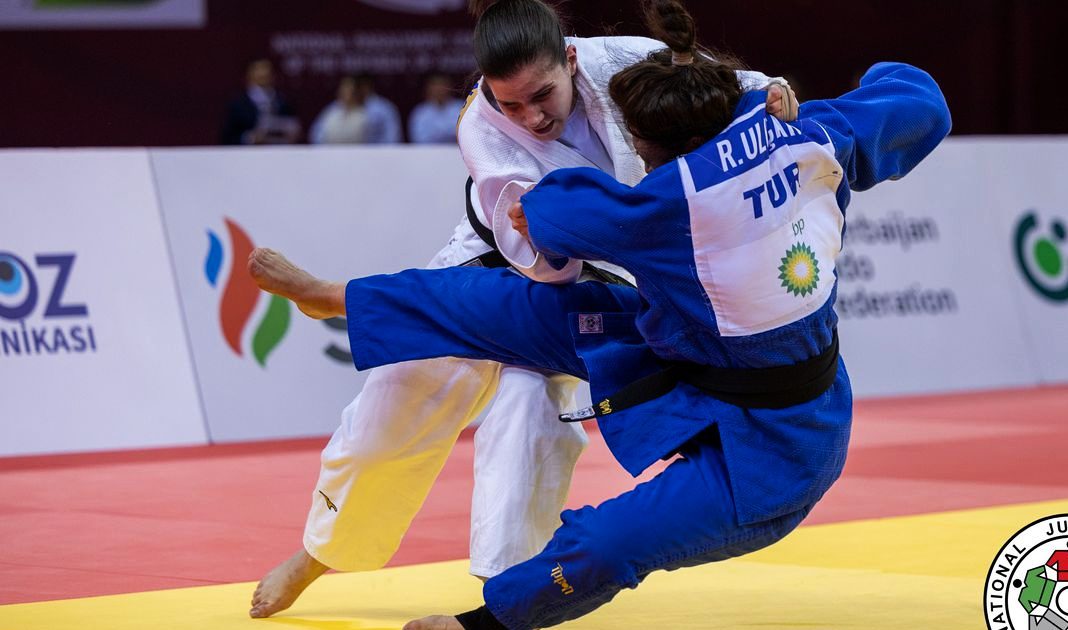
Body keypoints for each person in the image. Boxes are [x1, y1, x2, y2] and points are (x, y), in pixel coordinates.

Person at [246, 0, 950, 624]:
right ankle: (320, 546)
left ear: (572, 60)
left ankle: (498, 600)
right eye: (511, 104)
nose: (531, 117)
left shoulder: (634, 78)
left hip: (634, 269)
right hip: (531, 258)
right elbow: (541, 261)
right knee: (400, 397)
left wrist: (772, 93)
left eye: (542, 95)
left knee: (529, 417)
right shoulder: (483, 128)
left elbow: (717, 100)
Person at [219, 59, 301, 145]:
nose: (263, 74)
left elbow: (293, 126)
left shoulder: (283, 102)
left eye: (266, 73)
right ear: (249, 76)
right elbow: (226, 138)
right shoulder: (238, 105)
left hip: (279, 149)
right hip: (248, 151)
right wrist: (250, 138)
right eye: (258, 72)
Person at [309, 75, 369, 144]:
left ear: (356, 92)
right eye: (343, 89)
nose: (345, 93)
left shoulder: (366, 113)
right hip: (329, 149)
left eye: (349, 90)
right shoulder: (331, 110)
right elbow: (316, 134)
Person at [408, 74, 465, 143]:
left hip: (456, 149)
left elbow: (466, 133)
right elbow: (418, 139)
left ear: (449, 87)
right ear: (428, 89)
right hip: (429, 149)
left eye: (442, 85)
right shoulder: (420, 112)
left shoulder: (461, 107)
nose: (439, 89)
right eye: (435, 86)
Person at [354, 74, 404, 143]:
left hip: (380, 148)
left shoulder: (383, 108)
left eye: (359, 87)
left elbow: (393, 136)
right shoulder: (342, 107)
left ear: (366, 86)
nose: (356, 91)